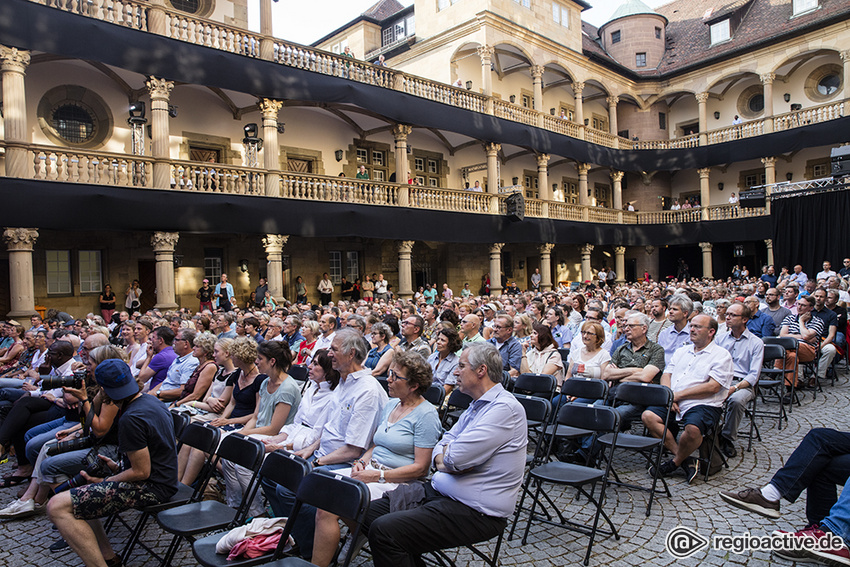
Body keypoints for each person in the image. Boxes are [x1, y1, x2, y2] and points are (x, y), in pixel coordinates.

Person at [362, 342, 527, 567]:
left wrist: (449, 457)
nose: (455, 371)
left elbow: (454, 458)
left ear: (481, 370)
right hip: (440, 493)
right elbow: (444, 445)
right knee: (368, 512)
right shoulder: (477, 405)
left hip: (473, 510)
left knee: (386, 530)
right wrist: (448, 457)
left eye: (461, 365)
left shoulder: (504, 409)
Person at [262, 329, 387, 558]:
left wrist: (316, 461)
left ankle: (311, 550)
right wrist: (309, 450)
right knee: (271, 473)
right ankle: (296, 532)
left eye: (334, 349)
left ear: (350, 354)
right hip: (325, 452)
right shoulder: (344, 382)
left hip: (345, 461)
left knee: (290, 488)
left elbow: (354, 448)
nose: (329, 354)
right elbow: (330, 428)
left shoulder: (367, 390)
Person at [310, 350, 442, 567]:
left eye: (395, 377)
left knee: (328, 506)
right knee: (320, 487)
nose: (388, 380)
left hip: (398, 482)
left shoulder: (426, 415)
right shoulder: (392, 404)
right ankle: (360, 531)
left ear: (414, 385)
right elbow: (376, 443)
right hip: (371, 471)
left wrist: (377, 475)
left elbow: (420, 468)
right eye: (389, 373)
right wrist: (363, 461)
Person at [47, 359, 178, 567]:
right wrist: (117, 469)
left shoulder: (132, 418)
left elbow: (141, 472)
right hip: (162, 480)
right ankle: (109, 558)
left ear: (103, 389)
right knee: (83, 494)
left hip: (153, 488)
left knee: (56, 506)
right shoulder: (150, 401)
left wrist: (106, 479)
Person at [642, 314, 733, 484]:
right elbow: (666, 374)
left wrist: (679, 396)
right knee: (648, 416)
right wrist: (670, 396)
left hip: (703, 403)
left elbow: (713, 386)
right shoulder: (682, 350)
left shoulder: (721, 355)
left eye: (698, 327)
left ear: (711, 331)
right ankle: (685, 459)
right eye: (691, 326)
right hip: (674, 399)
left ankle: (674, 463)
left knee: (692, 429)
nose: (692, 329)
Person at [716, 302, 764, 459]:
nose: (727, 317)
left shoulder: (756, 343)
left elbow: (753, 375)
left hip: (743, 384)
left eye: (732, 315)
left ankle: (727, 438)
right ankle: (709, 433)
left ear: (744, 319)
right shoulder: (719, 339)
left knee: (736, 400)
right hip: (720, 380)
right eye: (727, 314)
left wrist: (735, 387)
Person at [427, 325, 461, 395]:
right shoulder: (432, 357)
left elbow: (447, 389)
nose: (438, 342)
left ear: (451, 343)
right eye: (438, 339)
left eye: (442, 340)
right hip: (426, 392)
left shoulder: (456, 362)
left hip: (441, 396)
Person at [488, 314, 522, 378]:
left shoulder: (514, 346)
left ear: (509, 330)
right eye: (494, 326)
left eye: (498, 327)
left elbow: (514, 371)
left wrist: (494, 379)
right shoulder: (488, 343)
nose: (495, 329)